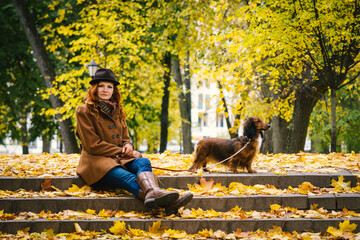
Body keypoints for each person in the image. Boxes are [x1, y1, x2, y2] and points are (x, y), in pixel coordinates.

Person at [75, 68, 193, 215]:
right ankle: (168, 204)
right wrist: (122, 150)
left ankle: (153, 192)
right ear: (94, 88)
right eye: (101, 86)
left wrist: (128, 145)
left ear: (114, 91)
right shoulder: (84, 110)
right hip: (96, 163)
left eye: (109, 87)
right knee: (129, 177)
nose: (105, 90)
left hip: (118, 159)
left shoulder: (117, 110)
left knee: (143, 162)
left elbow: (125, 137)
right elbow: (93, 145)